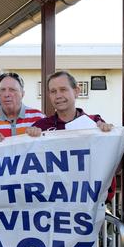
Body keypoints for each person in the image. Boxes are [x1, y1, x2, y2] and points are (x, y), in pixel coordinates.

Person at [33, 70, 116, 201]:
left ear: (76, 91)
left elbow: (108, 160)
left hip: (85, 201)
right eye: (53, 91)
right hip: (52, 201)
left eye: (63, 89)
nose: (58, 95)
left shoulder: (94, 123)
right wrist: (30, 138)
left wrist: (108, 134)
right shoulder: (41, 126)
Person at [0, 72, 45, 141]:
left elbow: (48, 145)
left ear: (22, 94)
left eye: (12, 90)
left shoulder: (39, 117)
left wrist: (39, 136)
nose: (6, 94)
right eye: (2, 90)